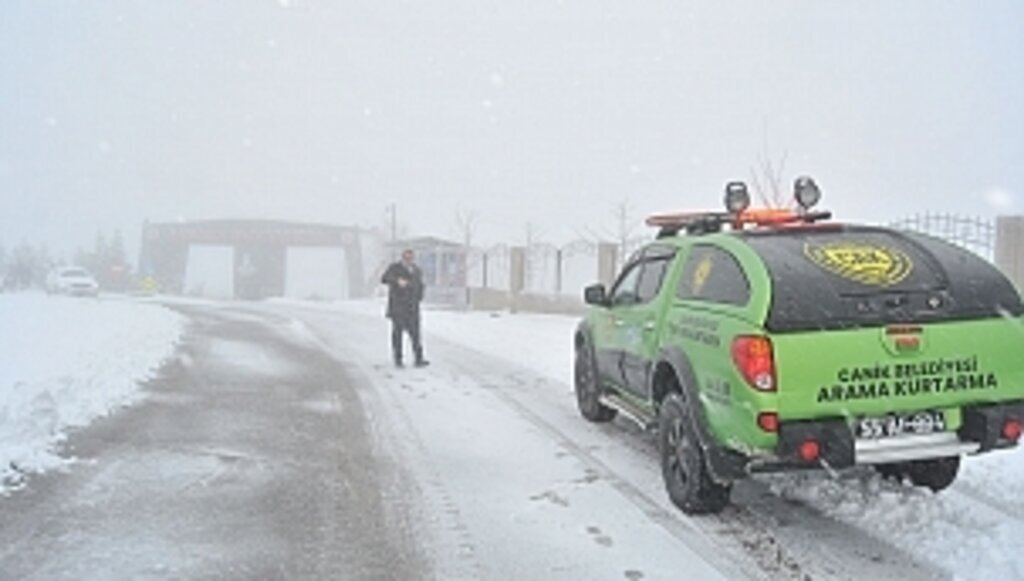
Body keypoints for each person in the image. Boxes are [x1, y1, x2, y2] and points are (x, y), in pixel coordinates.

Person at [381, 249, 428, 368]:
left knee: (416, 334)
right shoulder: (394, 268)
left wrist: (419, 296)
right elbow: (384, 278)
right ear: (402, 258)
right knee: (398, 334)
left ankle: (419, 358)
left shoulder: (417, 270)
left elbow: (420, 285)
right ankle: (398, 359)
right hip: (398, 307)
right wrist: (397, 281)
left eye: (411, 258)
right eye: (406, 258)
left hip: (412, 307)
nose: (409, 260)